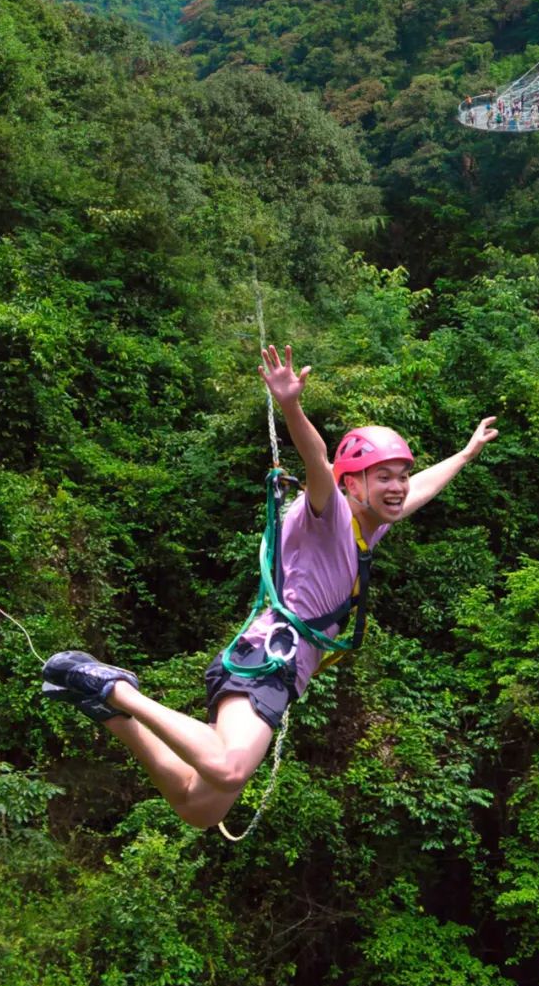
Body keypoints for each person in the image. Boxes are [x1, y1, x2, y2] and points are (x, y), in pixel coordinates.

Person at [43, 343, 498, 831]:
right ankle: (112, 688)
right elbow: (318, 460)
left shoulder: (371, 523)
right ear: (351, 484)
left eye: (400, 476)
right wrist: (290, 404)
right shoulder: (328, 513)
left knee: (201, 807)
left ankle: (108, 712)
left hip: (282, 673)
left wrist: (466, 454)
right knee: (227, 766)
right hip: (266, 657)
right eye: (383, 477)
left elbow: (423, 487)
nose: (398, 487)